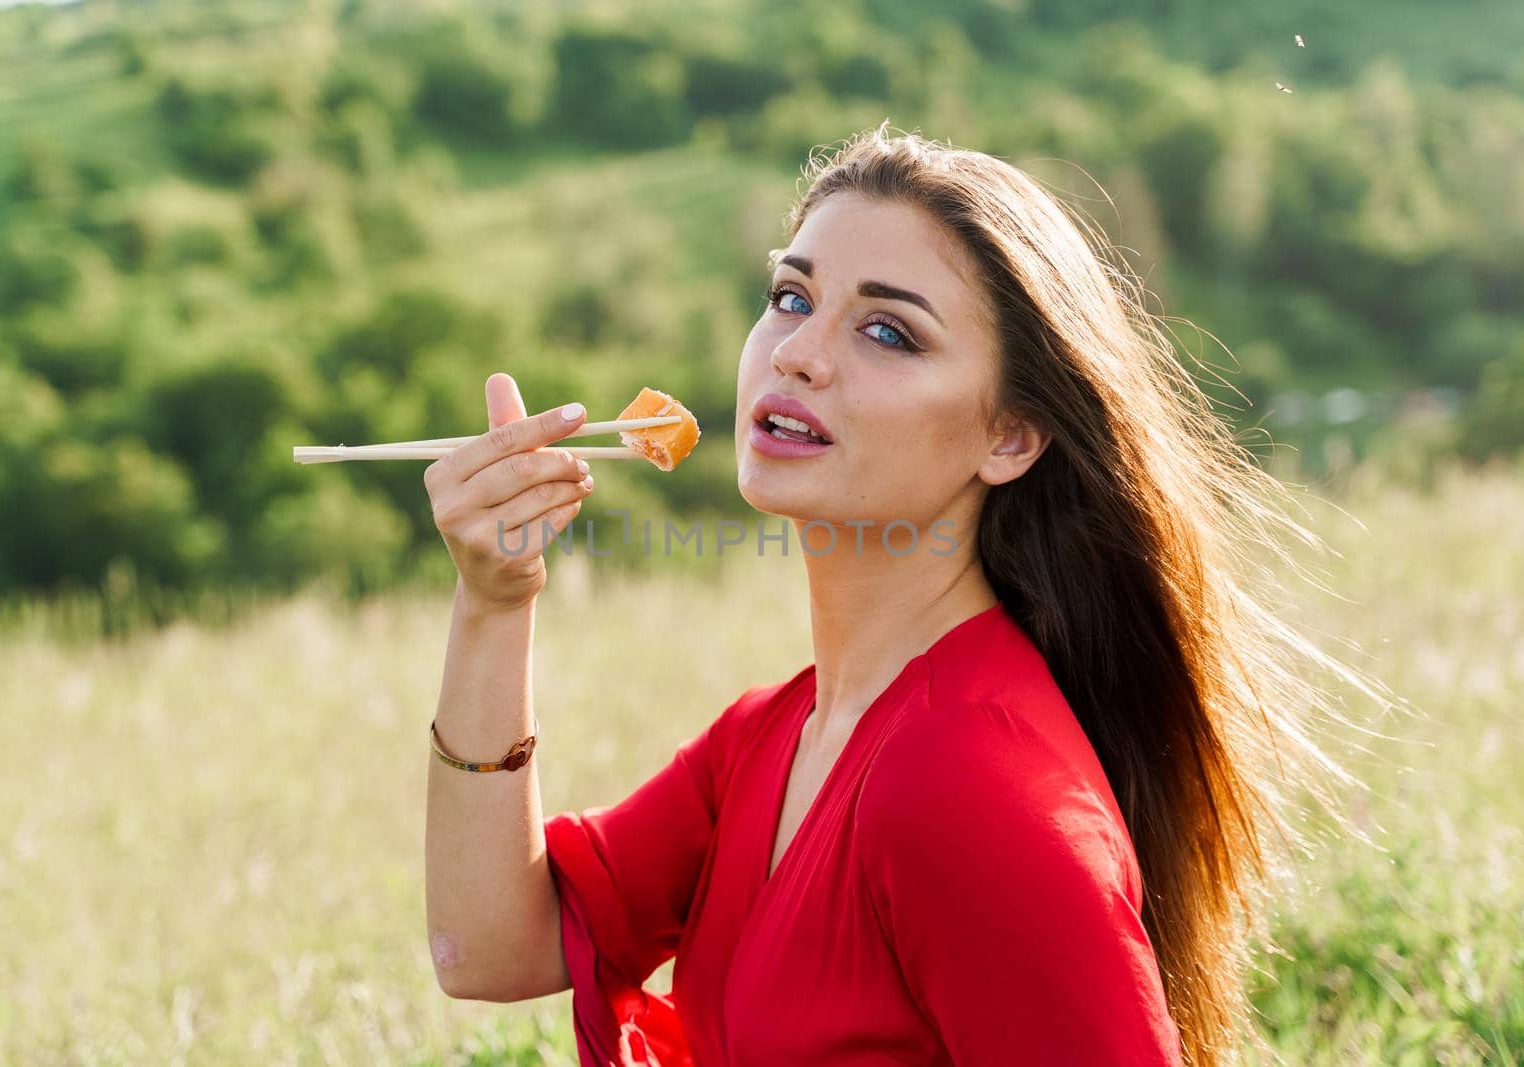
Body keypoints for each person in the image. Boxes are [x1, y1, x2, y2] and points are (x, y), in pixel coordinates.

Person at [421, 123, 1397, 1066]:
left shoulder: (968, 784)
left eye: (887, 330)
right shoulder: (777, 736)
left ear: (1010, 435)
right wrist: (494, 601)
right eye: (791, 296)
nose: (798, 353)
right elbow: (490, 946)